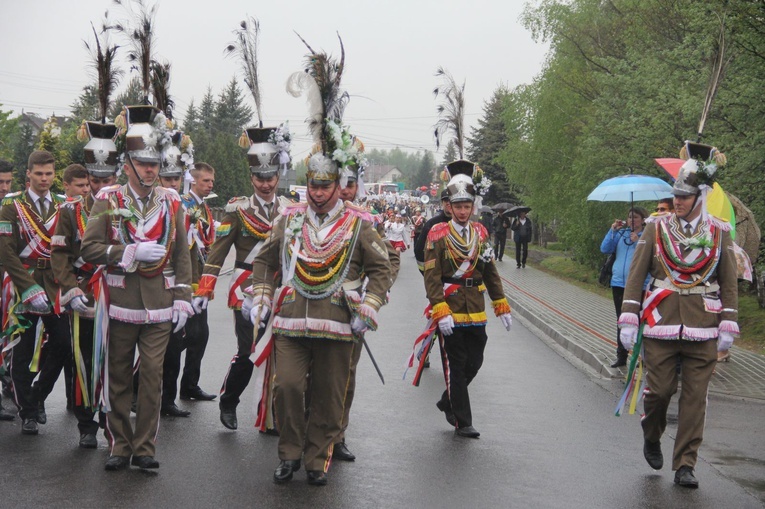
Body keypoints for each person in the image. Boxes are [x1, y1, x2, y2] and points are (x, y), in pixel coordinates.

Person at [257, 43, 392, 486]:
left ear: (339, 183)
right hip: (293, 320)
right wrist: (259, 295)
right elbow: (264, 260)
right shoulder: (289, 218)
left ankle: (317, 460)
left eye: (325, 186)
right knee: (289, 388)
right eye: (311, 185)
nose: (316, 194)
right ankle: (289, 452)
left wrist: (369, 303)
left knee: (331, 398)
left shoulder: (360, 222)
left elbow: (381, 267)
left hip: (339, 322)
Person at [618, 141, 738, 489]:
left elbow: (728, 281)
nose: (678, 202)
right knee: (659, 391)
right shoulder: (657, 228)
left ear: (700, 196)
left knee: (695, 398)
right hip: (661, 323)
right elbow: (636, 274)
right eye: (676, 196)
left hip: (704, 325)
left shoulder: (719, 232)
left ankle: (685, 463)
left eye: (684, 197)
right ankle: (651, 431)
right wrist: (628, 316)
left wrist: (728, 322)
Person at [81, 104, 193, 471]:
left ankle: (144, 447)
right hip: (121, 299)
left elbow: (181, 253)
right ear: (127, 163)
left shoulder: (172, 200)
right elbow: (89, 249)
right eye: (143, 163)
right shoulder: (107, 198)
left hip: (160, 302)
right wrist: (127, 250)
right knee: (117, 374)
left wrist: (183, 297)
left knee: (152, 376)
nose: (150, 170)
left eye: (155, 163)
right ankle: (118, 444)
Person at [193, 125, 290, 431]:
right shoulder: (236, 210)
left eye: (270, 177)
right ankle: (229, 400)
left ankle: (270, 413)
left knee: (279, 351)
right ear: (252, 178)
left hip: (279, 287)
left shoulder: (290, 210)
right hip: (245, 287)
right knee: (248, 350)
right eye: (260, 178)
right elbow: (218, 253)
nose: (265, 183)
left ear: (278, 177)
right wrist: (204, 288)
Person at [424, 160, 513, 438]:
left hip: (475, 307)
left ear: (473, 207)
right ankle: (463, 420)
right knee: (457, 364)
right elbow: (432, 276)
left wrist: (501, 303)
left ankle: (447, 400)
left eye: (467, 206)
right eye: (458, 206)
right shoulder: (437, 234)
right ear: (449, 207)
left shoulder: (481, 234)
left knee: (475, 360)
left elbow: (490, 270)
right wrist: (440, 309)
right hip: (449, 307)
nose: (463, 211)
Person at [332, 158, 400, 462]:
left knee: (345, 374)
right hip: (311, 307)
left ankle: (337, 434)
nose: (345, 191)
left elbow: (390, 260)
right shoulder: (304, 215)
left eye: (350, 184)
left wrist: (373, 298)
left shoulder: (367, 220)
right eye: (339, 183)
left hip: (350, 309)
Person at [0, 150, 68, 436]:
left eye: (49, 174)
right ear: (28, 174)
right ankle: (27, 411)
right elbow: (6, 250)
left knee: (63, 344)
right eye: (38, 174)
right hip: (24, 282)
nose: (44, 179)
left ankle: (38, 395)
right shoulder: (11, 205)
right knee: (23, 349)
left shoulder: (64, 205)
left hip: (55, 284)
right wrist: (26, 287)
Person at [51, 161, 108, 448]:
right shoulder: (69, 212)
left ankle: (112, 423)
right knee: (83, 361)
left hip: (116, 294)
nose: (98, 186)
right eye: (93, 180)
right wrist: (70, 288)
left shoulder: (126, 209)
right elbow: (59, 253)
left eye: (105, 179)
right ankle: (87, 425)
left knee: (114, 363)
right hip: (83, 292)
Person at [152, 132, 196, 418]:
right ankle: (139, 396)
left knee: (174, 348)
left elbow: (188, 252)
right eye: (166, 179)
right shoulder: (152, 204)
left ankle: (168, 399)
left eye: (175, 179)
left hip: (177, 284)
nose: (171, 184)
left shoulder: (189, 206)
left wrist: (189, 290)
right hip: (152, 281)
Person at [177, 163, 217, 402]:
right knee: (185, 336)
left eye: (211, 181)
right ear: (193, 181)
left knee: (200, 335)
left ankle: (190, 384)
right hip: (188, 278)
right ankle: (139, 380)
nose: (210, 185)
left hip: (201, 277)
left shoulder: (204, 207)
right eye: (205, 181)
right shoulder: (184, 205)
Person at [600, 206, 649, 368]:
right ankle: (621, 355)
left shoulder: (647, 237)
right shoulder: (621, 235)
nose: (632, 220)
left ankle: (640, 356)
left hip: (638, 285)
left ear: (643, 220)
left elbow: (648, 257)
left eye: (636, 217)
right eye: (629, 217)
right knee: (622, 320)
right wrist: (612, 231)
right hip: (619, 283)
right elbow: (605, 248)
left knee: (639, 321)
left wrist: (639, 242)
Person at [0, 159, 16, 421]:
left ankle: (8, 384)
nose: (4, 187)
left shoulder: (14, 207)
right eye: (0, 182)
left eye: (8, 182)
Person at [414, 189, 451, 274]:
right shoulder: (431, 224)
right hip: (439, 277)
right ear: (442, 202)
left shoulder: (465, 223)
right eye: (446, 200)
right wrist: (428, 275)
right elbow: (419, 250)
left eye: (451, 200)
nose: (448, 203)